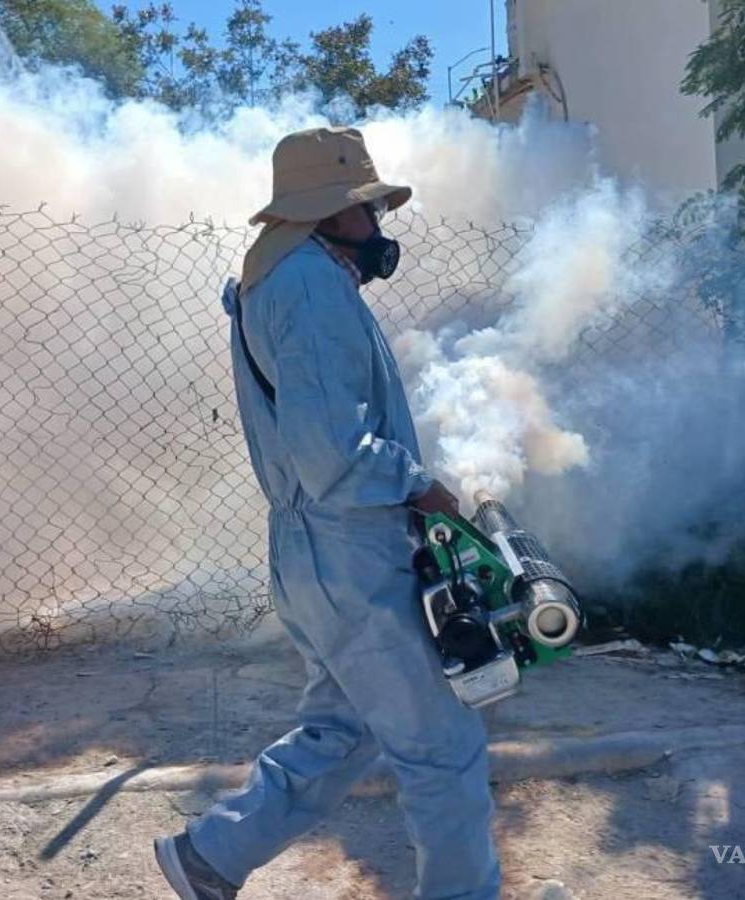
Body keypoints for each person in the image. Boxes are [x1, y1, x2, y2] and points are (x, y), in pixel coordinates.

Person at [153, 125, 501, 900]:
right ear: (328, 214)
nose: (378, 227)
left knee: (344, 730)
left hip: (313, 552)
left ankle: (211, 856)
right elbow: (331, 451)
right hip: (352, 552)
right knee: (443, 748)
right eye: (365, 210)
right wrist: (419, 484)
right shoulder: (308, 287)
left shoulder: (276, 278)